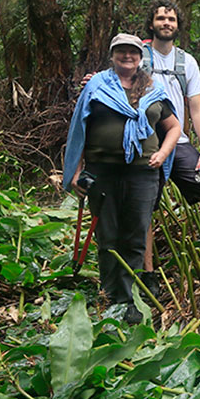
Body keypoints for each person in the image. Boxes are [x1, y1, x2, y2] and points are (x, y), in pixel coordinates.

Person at [63, 34, 181, 323]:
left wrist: (163, 153)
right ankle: (110, 295)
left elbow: (174, 126)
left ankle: (131, 299)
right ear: (112, 55)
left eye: (132, 52)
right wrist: (76, 171)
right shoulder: (96, 86)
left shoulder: (153, 88)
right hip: (102, 171)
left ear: (140, 57)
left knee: (136, 235)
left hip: (142, 172)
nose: (127, 56)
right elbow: (81, 127)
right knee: (107, 234)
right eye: (121, 51)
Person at [142, 0, 200, 279]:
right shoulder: (139, 57)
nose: (166, 23)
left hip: (179, 143)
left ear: (178, 26)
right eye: (161, 18)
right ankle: (147, 272)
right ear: (151, 24)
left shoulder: (186, 61)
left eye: (172, 19)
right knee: (144, 204)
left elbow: (197, 108)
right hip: (146, 142)